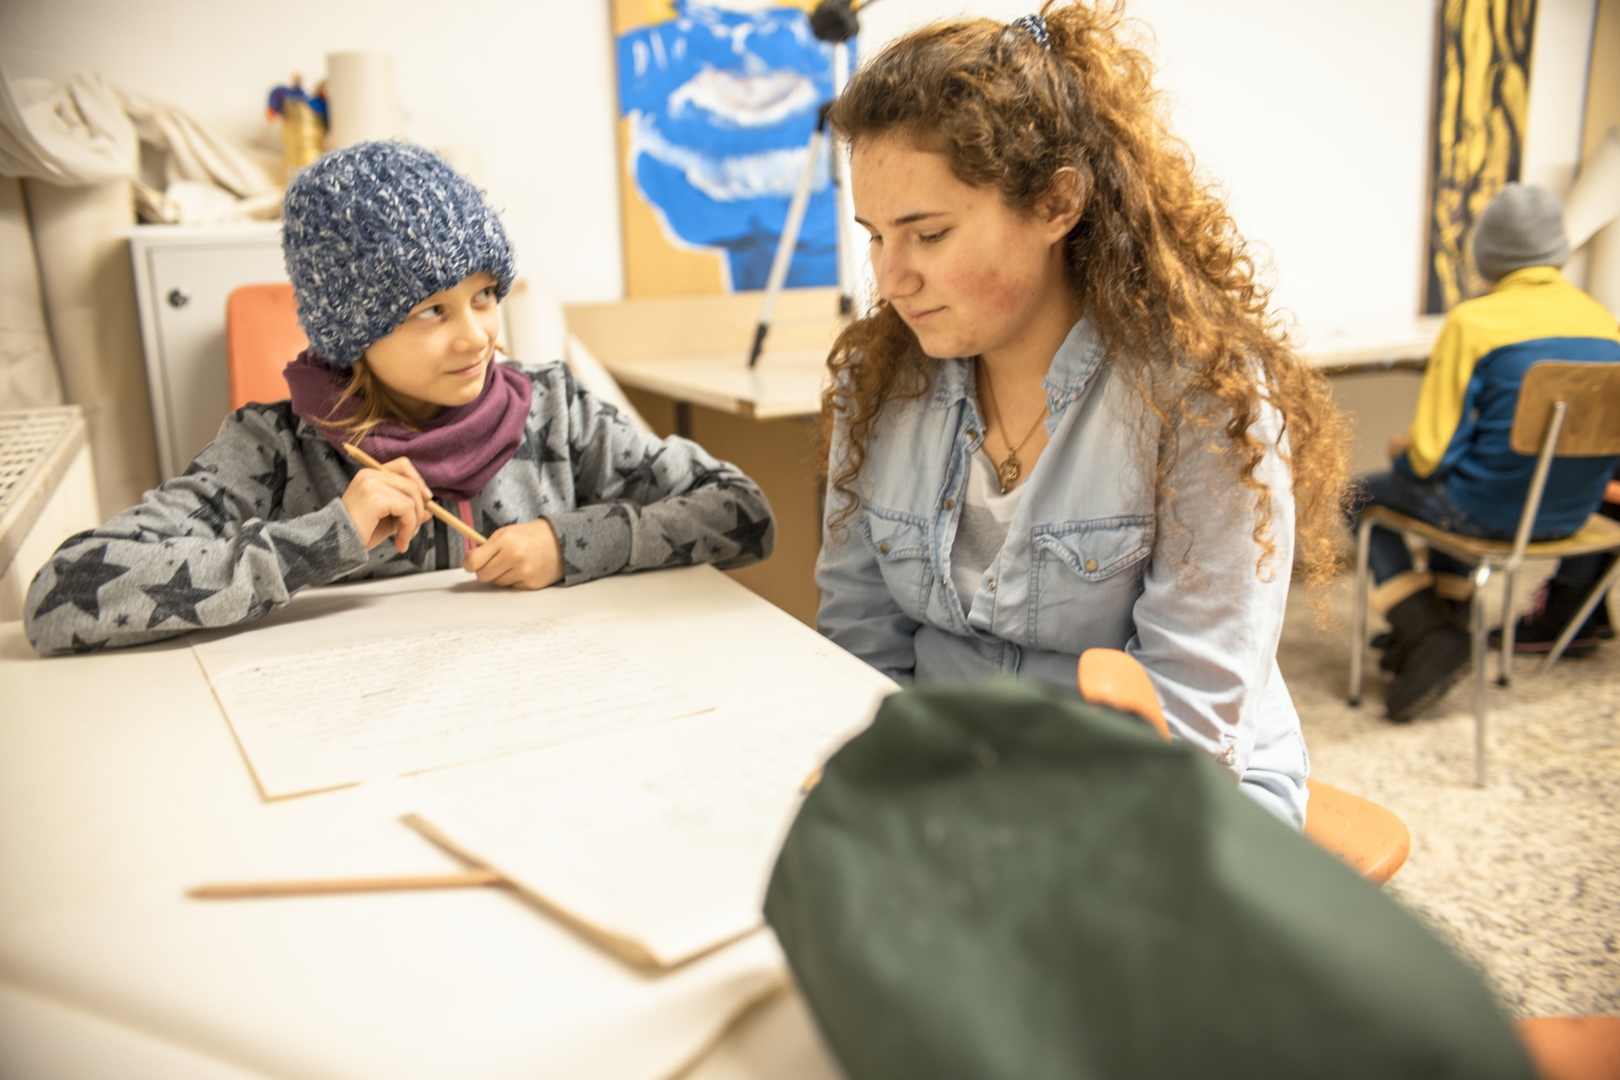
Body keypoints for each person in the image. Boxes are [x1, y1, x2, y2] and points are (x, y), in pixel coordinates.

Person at [812, 5, 1349, 829]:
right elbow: (860, 643)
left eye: (929, 234)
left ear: (1058, 203)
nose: (891, 278)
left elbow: (1188, 727)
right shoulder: (878, 381)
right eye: (876, 237)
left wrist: (982, 828)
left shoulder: (1201, 397)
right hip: (949, 779)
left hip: (1153, 802)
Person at [25, 142, 775, 656]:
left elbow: (742, 513)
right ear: (350, 333)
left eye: (485, 296)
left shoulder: (557, 413)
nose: (477, 337)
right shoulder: (274, 450)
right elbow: (64, 594)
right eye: (430, 311)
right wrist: (326, 539)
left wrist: (571, 544)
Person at [1350, 184, 1620, 719]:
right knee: (1460, 478)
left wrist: (1404, 453)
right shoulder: (1603, 322)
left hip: (1492, 515)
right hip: (1574, 517)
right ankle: (1450, 617)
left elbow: (1430, 455)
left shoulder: (1473, 322)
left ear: (1487, 253)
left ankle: (1426, 630)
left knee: (1357, 495)